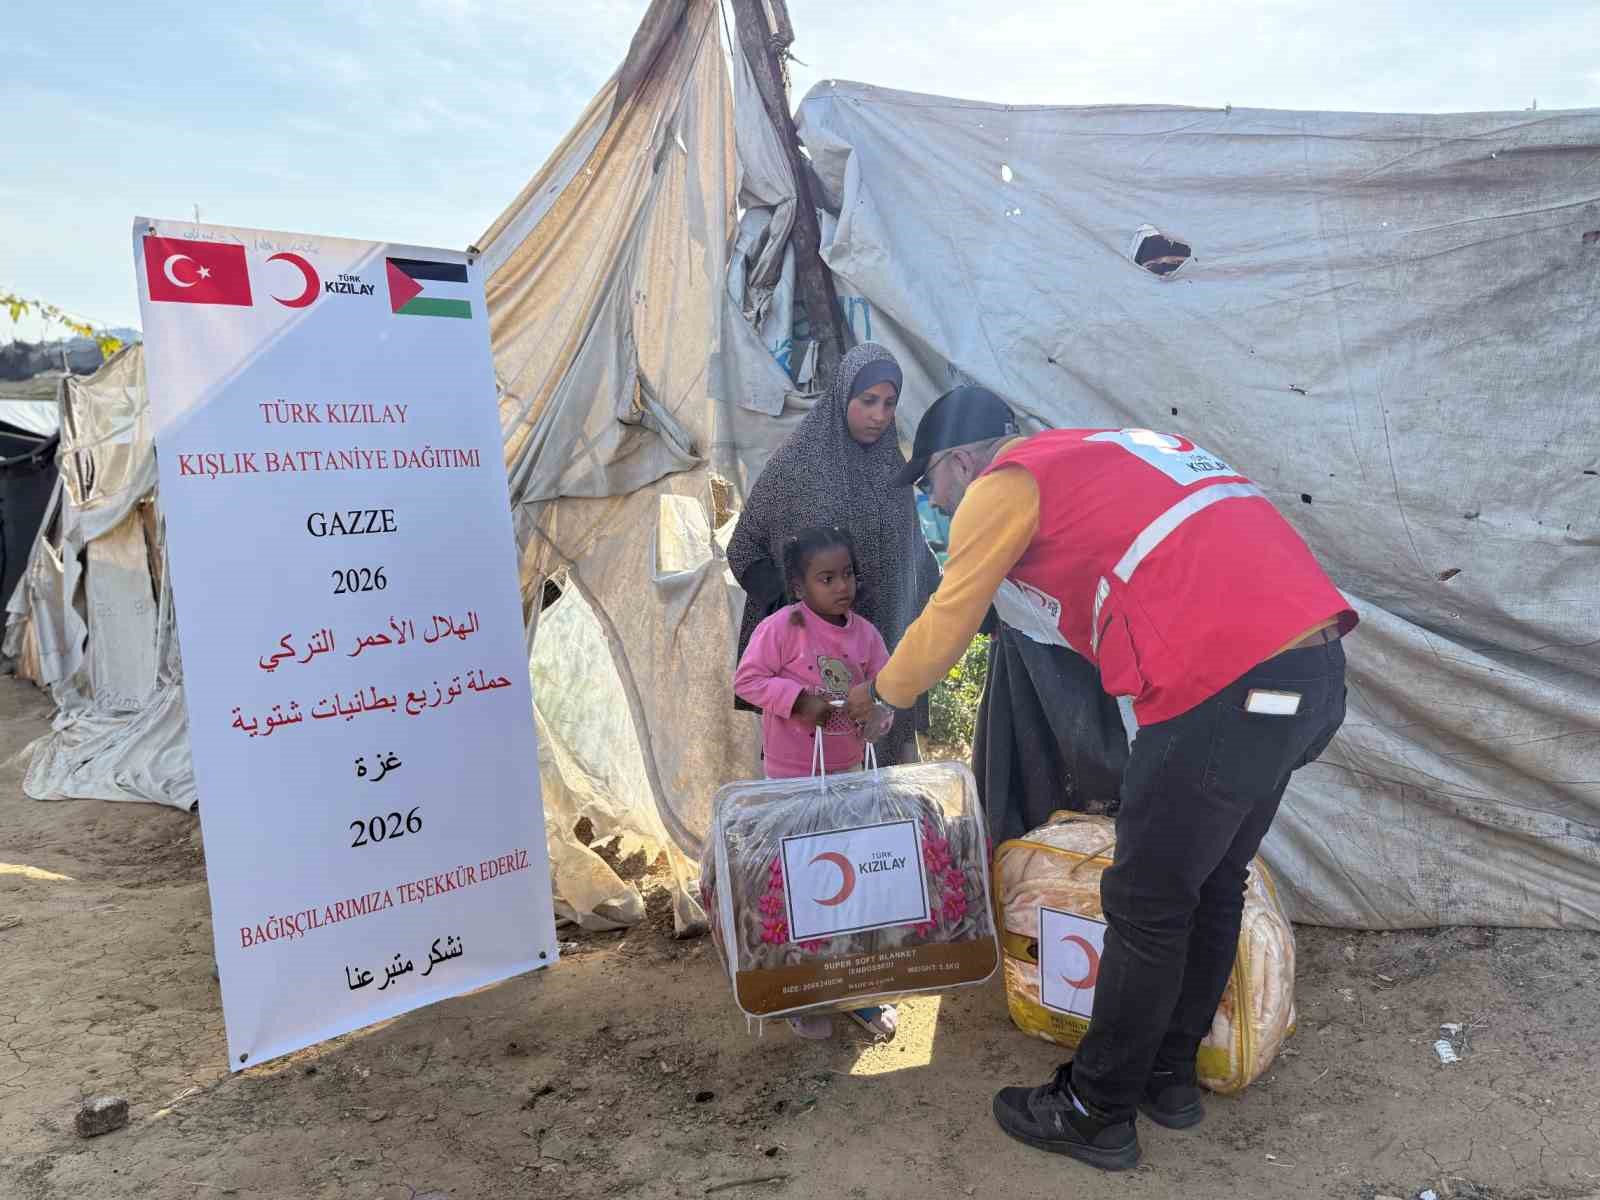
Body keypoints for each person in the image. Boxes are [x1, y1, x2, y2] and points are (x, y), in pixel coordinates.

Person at [846, 387, 1355, 1171]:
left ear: (958, 462)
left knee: (1146, 903)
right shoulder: (1107, 452)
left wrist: (884, 696)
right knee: (1213, 881)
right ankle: (1168, 1077)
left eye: (931, 486)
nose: (936, 504)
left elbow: (950, 616)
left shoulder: (1004, 483)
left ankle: (1095, 1109)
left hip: (1225, 686)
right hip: (1310, 671)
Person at [727, 342, 938, 767]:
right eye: (868, 401)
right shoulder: (798, 463)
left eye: (889, 403)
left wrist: (949, 595)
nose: (879, 415)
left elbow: (912, 550)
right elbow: (744, 546)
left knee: (881, 779)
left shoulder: (890, 467)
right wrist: (793, 612)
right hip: (813, 668)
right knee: (817, 785)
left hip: (881, 651)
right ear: (844, 396)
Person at [733, 525, 899, 1042]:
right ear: (800, 586)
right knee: (804, 886)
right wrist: (797, 701)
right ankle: (806, 990)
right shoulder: (783, 627)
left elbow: (885, 692)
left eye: (846, 574)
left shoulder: (867, 636)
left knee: (852, 882)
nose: (841, 585)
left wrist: (879, 718)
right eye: (826, 578)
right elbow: (748, 680)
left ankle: (858, 990)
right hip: (791, 784)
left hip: (848, 777)